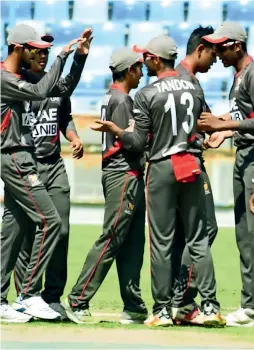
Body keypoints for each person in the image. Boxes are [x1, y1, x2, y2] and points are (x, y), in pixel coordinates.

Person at [91, 35, 224, 327]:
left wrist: (116, 129)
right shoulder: (193, 86)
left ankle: (163, 310)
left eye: (146, 57)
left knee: (161, 242)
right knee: (198, 238)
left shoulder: (147, 93)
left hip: (163, 167)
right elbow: (203, 127)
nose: (144, 62)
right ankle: (211, 306)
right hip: (191, 164)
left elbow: (137, 142)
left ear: (154, 59)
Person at [0, 23, 91, 323]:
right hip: (16, 157)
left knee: (11, 232)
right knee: (50, 222)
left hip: (21, 156)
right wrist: (62, 57)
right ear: (19, 48)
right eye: (37, 50)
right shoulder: (6, 78)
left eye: (46, 51)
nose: (43, 54)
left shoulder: (14, 77)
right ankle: (27, 296)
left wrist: (77, 58)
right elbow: (41, 90)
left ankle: (2, 300)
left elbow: (58, 90)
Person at [61, 47, 147, 325]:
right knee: (112, 236)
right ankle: (77, 299)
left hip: (123, 173)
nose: (142, 72)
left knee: (132, 240)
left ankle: (133, 304)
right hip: (123, 173)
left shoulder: (114, 96)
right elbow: (133, 143)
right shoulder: (122, 101)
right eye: (139, 67)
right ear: (130, 70)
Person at [200, 21, 254, 327]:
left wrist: (222, 126)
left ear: (237, 46)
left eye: (222, 46)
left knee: (251, 234)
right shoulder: (239, 77)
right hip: (244, 157)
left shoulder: (252, 74)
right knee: (244, 234)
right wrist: (225, 132)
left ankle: (251, 306)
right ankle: (249, 304)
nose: (217, 52)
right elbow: (242, 118)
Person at [171, 25, 219, 325]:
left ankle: (174, 301)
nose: (215, 59)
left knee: (178, 237)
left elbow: (200, 121)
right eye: (212, 53)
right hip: (187, 163)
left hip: (174, 163)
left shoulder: (177, 77)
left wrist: (214, 133)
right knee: (206, 229)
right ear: (199, 49)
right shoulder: (186, 82)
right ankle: (183, 299)